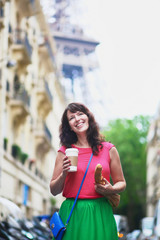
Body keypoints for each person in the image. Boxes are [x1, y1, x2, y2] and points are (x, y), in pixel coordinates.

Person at [50, 102, 126, 240]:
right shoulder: (64, 152)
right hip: (73, 212)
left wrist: (110, 189)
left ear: (88, 117)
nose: (77, 119)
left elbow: (121, 183)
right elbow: (54, 190)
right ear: (69, 127)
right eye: (71, 118)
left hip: (100, 211)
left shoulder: (109, 149)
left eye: (80, 114)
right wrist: (64, 174)